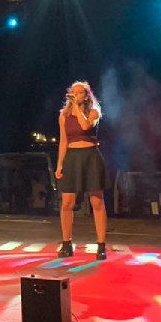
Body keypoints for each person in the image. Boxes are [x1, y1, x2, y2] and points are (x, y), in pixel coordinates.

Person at [55, 80, 108, 259]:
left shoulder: (94, 111)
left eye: (79, 92)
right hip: (72, 157)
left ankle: (101, 246)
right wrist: (60, 164)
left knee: (97, 202)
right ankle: (66, 244)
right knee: (67, 203)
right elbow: (63, 141)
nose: (76, 95)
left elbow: (85, 126)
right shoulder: (63, 115)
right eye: (74, 92)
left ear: (86, 96)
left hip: (90, 156)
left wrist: (77, 108)